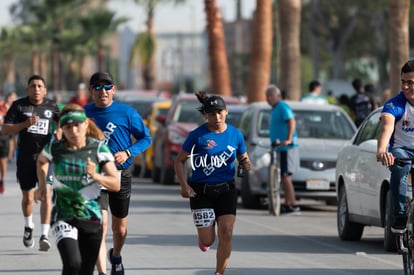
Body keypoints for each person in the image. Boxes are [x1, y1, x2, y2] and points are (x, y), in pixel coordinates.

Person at [35, 103, 120, 275]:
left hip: (91, 216)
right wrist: (43, 185)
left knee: (85, 270)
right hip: (63, 215)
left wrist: (96, 176)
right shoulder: (55, 148)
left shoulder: (98, 149)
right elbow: (41, 161)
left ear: (86, 124)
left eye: (77, 125)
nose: (73, 131)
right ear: (62, 128)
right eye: (68, 127)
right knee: (73, 263)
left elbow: (115, 183)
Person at [174, 91, 250, 275]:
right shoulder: (197, 136)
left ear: (226, 111)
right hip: (201, 192)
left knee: (227, 233)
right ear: (205, 115)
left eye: (220, 112)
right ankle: (204, 239)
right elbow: (179, 160)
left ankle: (219, 272)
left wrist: (246, 163)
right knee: (208, 240)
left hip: (226, 190)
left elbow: (243, 157)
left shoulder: (235, 135)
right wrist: (184, 185)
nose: (216, 117)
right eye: (211, 114)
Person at [84, 72, 152, 275]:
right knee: (101, 226)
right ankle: (103, 272)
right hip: (96, 176)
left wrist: (128, 152)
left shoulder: (127, 112)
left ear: (113, 89)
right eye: (97, 87)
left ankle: (116, 256)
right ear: (91, 91)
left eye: (107, 87)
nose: (102, 91)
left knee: (119, 229)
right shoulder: (84, 113)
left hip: (120, 174)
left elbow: (146, 138)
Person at [1, 75, 59, 251]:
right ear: (27, 89)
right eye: (33, 86)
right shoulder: (19, 105)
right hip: (25, 158)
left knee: (47, 194)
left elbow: (62, 123)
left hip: (45, 159)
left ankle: (44, 234)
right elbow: (4, 129)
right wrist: (25, 123)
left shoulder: (51, 106)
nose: (36, 89)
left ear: (45, 90)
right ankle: (28, 226)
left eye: (40, 86)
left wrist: (60, 132)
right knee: (27, 197)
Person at [377, 60, 414, 241]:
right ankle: (399, 215)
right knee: (399, 166)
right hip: (402, 150)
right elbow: (387, 128)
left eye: (411, 83)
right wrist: (382, 150)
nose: (406, 87)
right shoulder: (395, 104)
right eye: (403, 82)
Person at [265, 84, 301, 215]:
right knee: (282, 176)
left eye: (270, 96)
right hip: (279, 147)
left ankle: (291, 204)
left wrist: (289, 138)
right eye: (267, 96)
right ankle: (286, 203)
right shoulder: (274, 109)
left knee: (286, 176)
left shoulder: (282, 106)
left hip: (287, 147)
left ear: (278, 96)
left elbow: (291, 121)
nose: (268, 99)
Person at [0, 91, 17, 193]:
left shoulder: (15, 109)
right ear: (7, 98)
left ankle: (2, 180)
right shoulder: (1, 106)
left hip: (6, 136)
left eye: (14, 98)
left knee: (2, 160)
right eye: (12, 98)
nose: (13, 100)